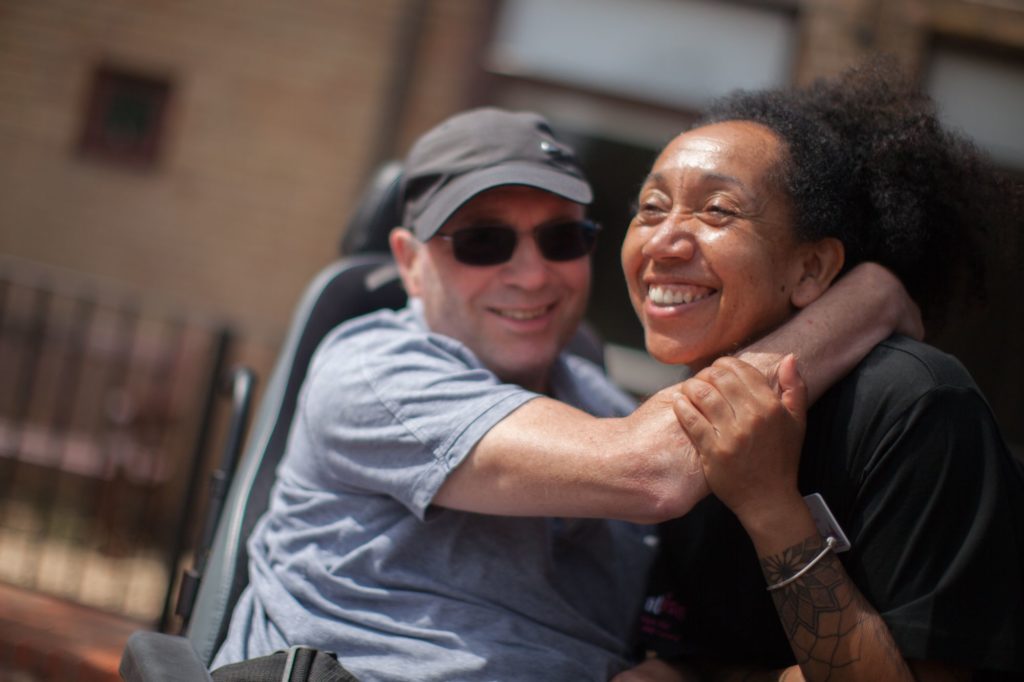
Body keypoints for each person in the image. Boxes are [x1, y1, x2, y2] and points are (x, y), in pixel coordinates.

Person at [212, 107, 918, 681]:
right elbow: (650, 470)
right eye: (484, 242)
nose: (533, 274)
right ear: (410, 263)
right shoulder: (372, 370)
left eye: (560, 238)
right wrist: (872, 297)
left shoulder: (596, 395)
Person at [617, 63, 1024, 681]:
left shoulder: (912, 403)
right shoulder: (679, 416)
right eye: (650, 208)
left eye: (718, 210)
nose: (664, 241)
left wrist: (770, 504)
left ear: (811, 270)